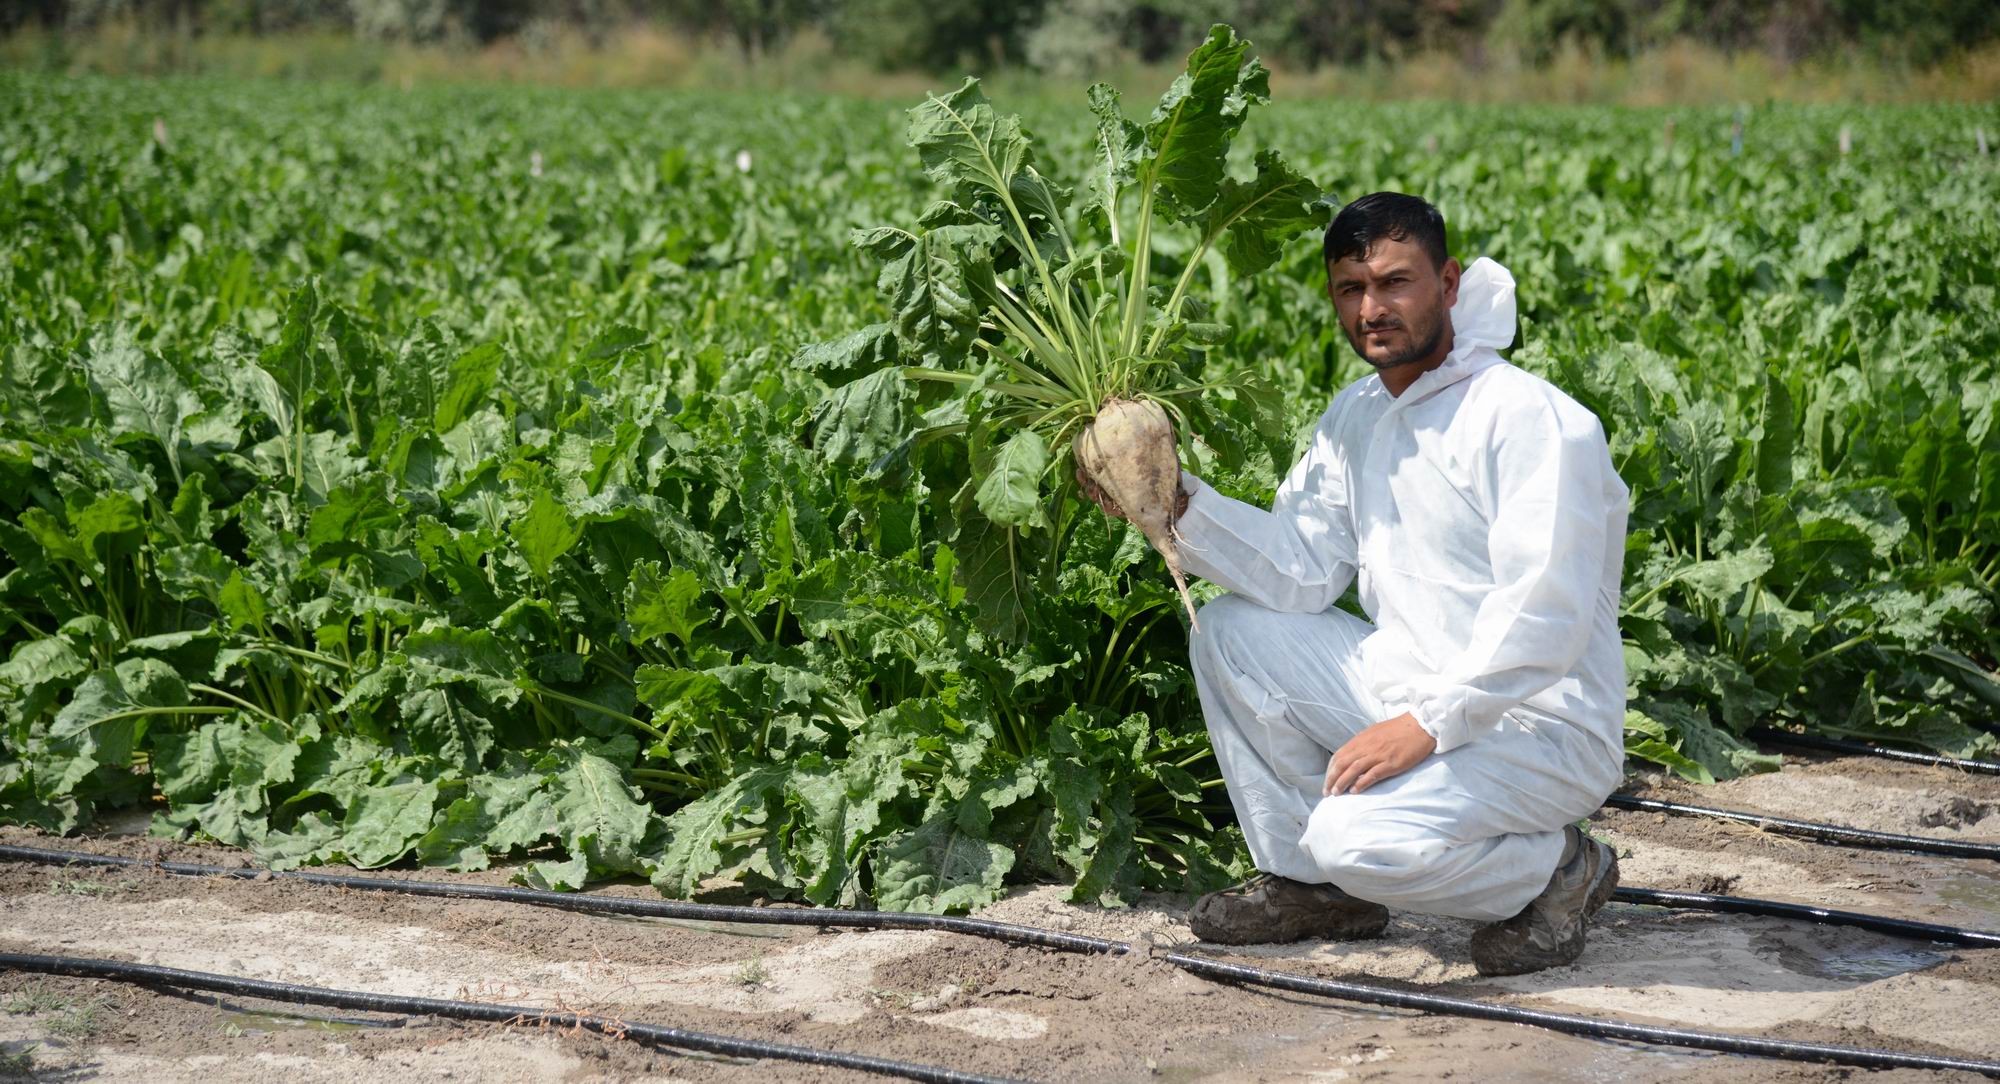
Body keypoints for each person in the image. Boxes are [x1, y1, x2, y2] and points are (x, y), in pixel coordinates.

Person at [1080, 192, 1630, 976]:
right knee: (1231, 634)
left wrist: (1427, 726)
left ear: (1448, 281)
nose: (1373, 308)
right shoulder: (1358, 416)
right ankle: (1320, 889)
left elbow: (1544, 618)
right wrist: (1170, 503)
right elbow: (1299, 569)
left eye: (1396, 282)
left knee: (1353, 836)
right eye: (1351, 289)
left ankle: (1559, 870)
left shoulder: (1531, 421)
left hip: (1539, 724)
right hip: (1417, 684)